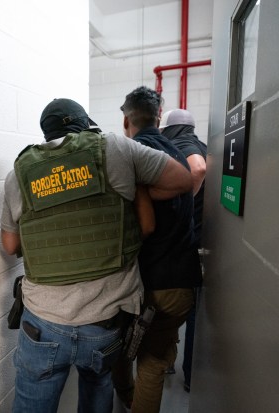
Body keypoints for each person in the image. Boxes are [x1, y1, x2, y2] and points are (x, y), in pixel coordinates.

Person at [0, 98, 193, 413]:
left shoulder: (18, 174)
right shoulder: (115, 148)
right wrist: (134, 189)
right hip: (104, 323)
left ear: (45, 134)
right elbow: (183, 180)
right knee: (97, 390)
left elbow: (10, 246)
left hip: (42, 322)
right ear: (84, 123)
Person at [111, 86, 201, 412]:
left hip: (149, 287)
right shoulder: (174, 153)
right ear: (159, 117)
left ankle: (127, 398)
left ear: (126, 120)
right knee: (154, 359)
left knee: (132, 356)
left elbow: (140, 224)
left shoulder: (132, 154)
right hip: (181, 285)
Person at [160, 108, 207, 393]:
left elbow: (198, 168)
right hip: (199, 238)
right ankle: (188, 373)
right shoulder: (202, 144)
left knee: (169, 305)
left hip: (182, 239)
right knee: (188, 308)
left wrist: (184, 201)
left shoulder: (182, 145)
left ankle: (170, 362)